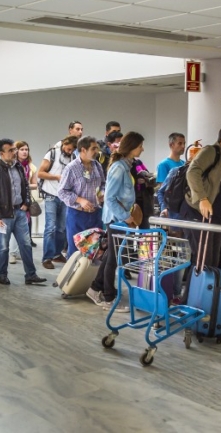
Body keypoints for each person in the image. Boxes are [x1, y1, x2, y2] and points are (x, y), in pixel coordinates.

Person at [86, 132, 144, 311]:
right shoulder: (119, 168)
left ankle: (95, 288)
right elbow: (109, 198)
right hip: (116, 219)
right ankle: (108, 298)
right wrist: (125, 216)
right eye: (140, 146)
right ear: (132, 147)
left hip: (119, 219)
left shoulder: (126, 166)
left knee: (111, 256)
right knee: (113, 258)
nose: (142, 149)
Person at [182, 123, 221, 274]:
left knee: (213, 261)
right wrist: (202, 198)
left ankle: (211, 290)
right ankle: (195, 290)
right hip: (197, 211)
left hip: (216, 214)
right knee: (202, 261)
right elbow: (192, 172)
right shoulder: (210, 151)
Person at [0, 138, 46, 286]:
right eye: (10, 150)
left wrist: (26, 203)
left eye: (14, 149)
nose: (14, 152)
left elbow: (25, 187)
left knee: (26, 245)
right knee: (3, 247)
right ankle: (2, 274)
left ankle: (31, 275)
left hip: (20, 213)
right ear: (1, 153)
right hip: (4, 216)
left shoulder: (19, 167)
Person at [55, 136, 105, 270]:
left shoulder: (97, 166)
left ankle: (90, 279)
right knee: (75, 251)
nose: (97, 151)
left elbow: (103, 184)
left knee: (95, 251)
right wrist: (80, 200)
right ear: (83, 149)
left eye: (97, 148)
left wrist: (102, 193)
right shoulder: (71, 168)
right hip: (77, 215)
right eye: (93, 148)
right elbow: (62, 191)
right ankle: (71, 279)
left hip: (96, 214)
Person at [38, 135, 77, 265]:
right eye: (68, 148)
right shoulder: (52, 153)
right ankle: (47, 258)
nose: (70, 151)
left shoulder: (73, 157)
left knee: (62, 228)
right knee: (50, 227)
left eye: (72, 150)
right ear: (64, 144)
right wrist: (57, 177)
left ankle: (57, 254)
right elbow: (40, 173)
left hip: (64, 197)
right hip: (50, 195)